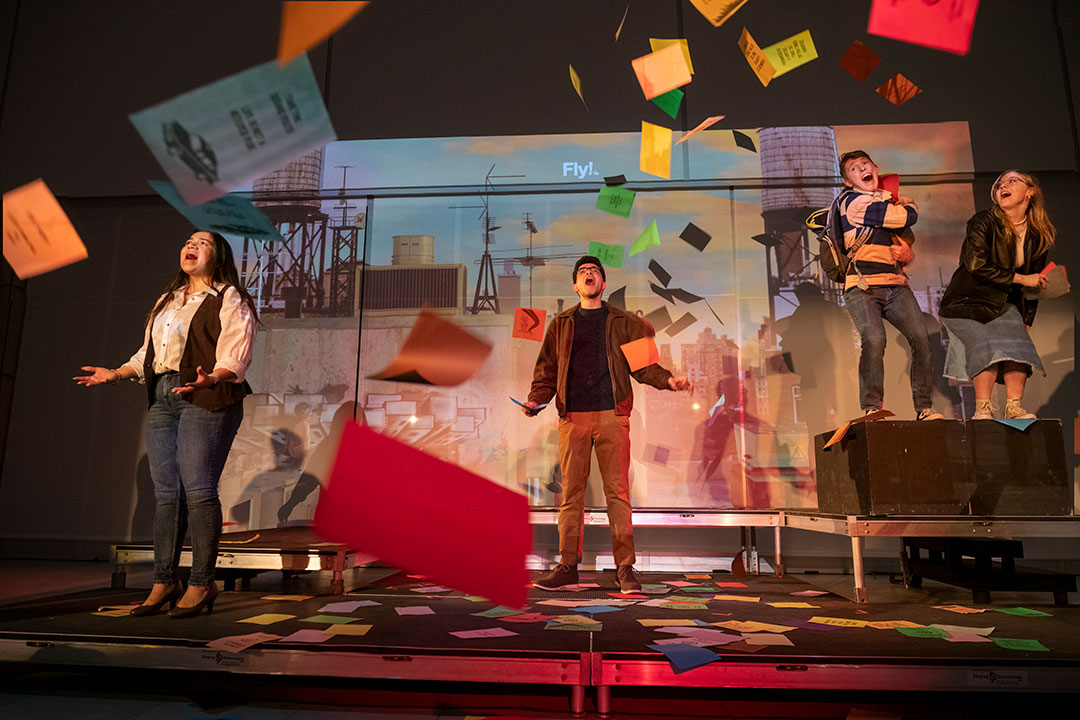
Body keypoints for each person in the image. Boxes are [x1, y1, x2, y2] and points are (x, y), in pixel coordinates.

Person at [75, 231, 257, 618]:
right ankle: (164, 581)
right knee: (167, 495)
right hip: (162, 395)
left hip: (206, 395)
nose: (191, 246)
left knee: (199, 491)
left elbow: (236, 356)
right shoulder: (168, 300)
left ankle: (201, 583)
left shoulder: (229, 297)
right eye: (188, 241)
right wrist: (117, 373)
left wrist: (211, 378)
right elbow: (148, 354)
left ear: (218, 254)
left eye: (202, 243)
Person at [522, 256, 693, 592]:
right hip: (572, 418)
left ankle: (625, 568)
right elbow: (546, 372)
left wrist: (669, 381)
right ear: (575, 285)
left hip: (613, 416)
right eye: (583, 272)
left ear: (603, 285)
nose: (589, 274)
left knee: (618, 493)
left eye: (595, 272)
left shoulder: (624, 322)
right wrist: (535, 401)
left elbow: (646, 367)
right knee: (571, 495)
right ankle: (568, 566)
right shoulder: (560, 325)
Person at [835, 150, 942, 421]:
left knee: (921, 339)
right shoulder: (852, 202)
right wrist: (908, 205)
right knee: (874, 340)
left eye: (865, 165)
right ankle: (872, 407)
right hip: (863, 286)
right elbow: (907, 217)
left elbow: (906, 241)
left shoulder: (884, 201)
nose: (861, 170)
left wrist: (908, 254)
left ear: (875, 168)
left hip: (896, 286)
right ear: (848, 181)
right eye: (854, 169)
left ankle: (924, 408)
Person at [938, 169, 1054, 419]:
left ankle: (1014, 407)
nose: (1004, 185)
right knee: (986, 344)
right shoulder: (983, 222)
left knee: (1018, 347)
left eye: (1013, 181)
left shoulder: (1037, 234)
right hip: (966, 301)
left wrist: (1026, 319)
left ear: (1030, 192)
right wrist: (1022, 278)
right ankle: (983, 409)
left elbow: (1033, 285)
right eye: (1000, 182)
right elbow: (976, 264)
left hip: (1003, 302)